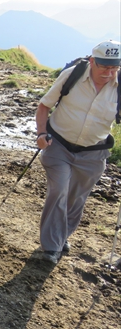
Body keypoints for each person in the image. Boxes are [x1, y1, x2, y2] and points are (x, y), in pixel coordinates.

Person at [35, 40, 121, 264]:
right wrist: (41, 134)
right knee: (59, 189)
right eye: (104, 67)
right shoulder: (73, 75)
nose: (109, 72)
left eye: (115, 67)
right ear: (92, 61)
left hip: (94, 153)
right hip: (58, 145)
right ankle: (51, 248)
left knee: (76, 199)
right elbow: (44, 106)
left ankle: (61, 236)